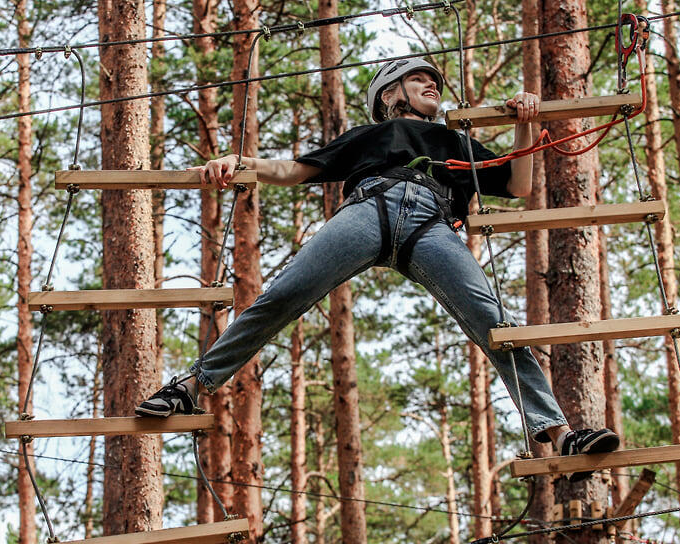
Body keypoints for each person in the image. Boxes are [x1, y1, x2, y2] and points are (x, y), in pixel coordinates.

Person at [136, 58, 618, 480]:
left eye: (435, 81)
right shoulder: (373, 135)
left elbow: (518, 186)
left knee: (494, 323)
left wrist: (524, 125)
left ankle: (559, 433)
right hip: (369, 209)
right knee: (283, 295)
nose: (433, 84)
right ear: (390, 94)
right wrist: (240, 161)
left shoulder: (454, 140)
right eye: (420, 79)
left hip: (432, 223)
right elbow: (298, 170)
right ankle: (191, 386)